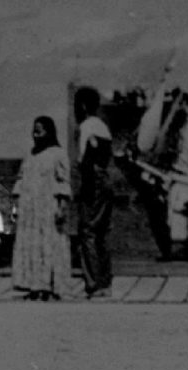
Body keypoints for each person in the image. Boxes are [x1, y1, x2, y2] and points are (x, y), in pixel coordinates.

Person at [12, 116, 74, 301]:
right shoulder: (30, 154)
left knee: (49, 244)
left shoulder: (58, 154)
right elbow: (21, 180)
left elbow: (64, 182)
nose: (36, 133)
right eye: (34, 129)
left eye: (40, 130)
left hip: (48, 208)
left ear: (50, 131)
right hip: (29, 210)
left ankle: (49, 285)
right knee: (32, 245)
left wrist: (62, 207)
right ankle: (34, 285)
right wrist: (16, 206)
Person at [74, 86, 114, 298]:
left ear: (81, 106)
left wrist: (81, 189)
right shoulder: (103, 127)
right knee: (102, 233)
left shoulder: (86, 126)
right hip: (106, 179)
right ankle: (106, 282)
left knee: (87, 231)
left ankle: (93, 283)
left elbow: (83, 160)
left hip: (92, 179)